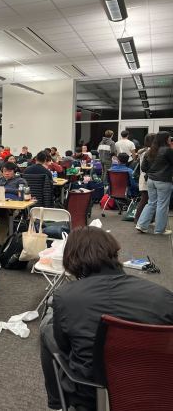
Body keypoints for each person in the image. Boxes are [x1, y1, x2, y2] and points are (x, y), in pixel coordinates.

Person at [40, 226, 173, 411]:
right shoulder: (162, 296)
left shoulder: (66, 296)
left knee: (47, 326)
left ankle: (55, 404)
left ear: (72, 258)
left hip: (91, 394)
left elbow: (63, 346)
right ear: (114, 253)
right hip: (153, 390)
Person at [135, 131, 173, 235]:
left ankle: (141, 225)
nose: (170, 139)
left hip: (151, 180)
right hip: (163, 180)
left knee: (151, 203)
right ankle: (160, 230)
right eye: (169, 138)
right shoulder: (167, 150)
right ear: (165, 139)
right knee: (162, 205)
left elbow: (143, 168)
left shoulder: (150, 151)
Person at [135, 133, 155, 223]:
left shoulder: (143, 151)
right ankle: (138, 219)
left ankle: (142, 219)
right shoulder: (149, 152)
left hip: (143, 176)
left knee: (146, 199)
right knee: (145, 199)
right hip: (146, 177)